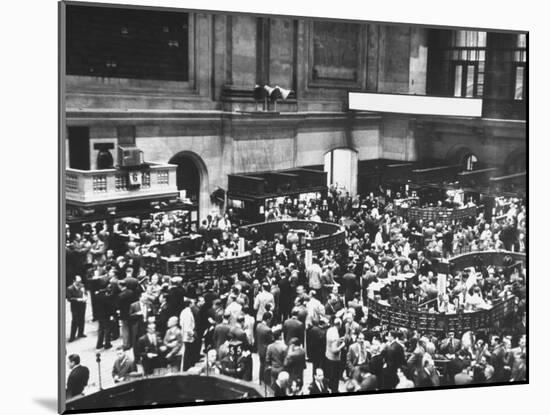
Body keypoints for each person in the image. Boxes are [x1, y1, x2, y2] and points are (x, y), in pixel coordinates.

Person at [324, 318, 345, 393]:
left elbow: (331, 343)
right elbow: (334, 350)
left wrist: (339, 340)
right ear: (339, 324)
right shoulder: (335, 334)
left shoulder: (330, 330)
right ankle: (334, 390)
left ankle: (330, 386)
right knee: (335, 377)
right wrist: (342, 345)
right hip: (334, 359)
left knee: (330, 375)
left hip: (327, 356)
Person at [67, 276, 87, 342]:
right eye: (78, 282)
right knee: (75, 321)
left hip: (82, 305)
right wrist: (78, 299)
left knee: (82, 319)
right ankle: (72, 336)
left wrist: (85, 297)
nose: (79, 283)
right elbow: (69, 298)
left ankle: (80, 333)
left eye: (80, 281)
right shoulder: (70, 288)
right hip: (75, 306)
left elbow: (85, 293)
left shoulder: (82, 285)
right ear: (74, 281)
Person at [256, 311, 274, 384]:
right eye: (270, 320)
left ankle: (261, 380)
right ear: (268, 319)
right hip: (266, 350)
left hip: (260, 349)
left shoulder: (258, 326)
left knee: (261, 365)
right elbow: (272, 340)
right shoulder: (268, 330)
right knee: (266, 367)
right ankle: (265, 382)